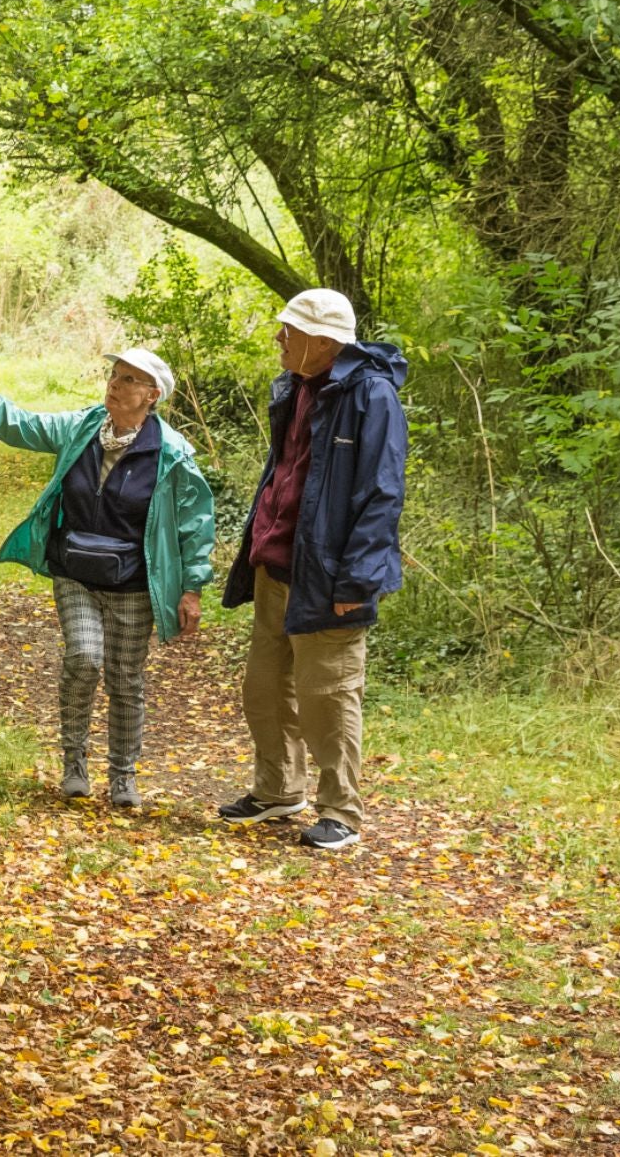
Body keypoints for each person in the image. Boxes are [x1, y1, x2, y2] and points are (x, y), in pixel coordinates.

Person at [0, 341, 216, 811]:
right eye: (114, 376)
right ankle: (74, 762)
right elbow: (19, 423)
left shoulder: (173, 454)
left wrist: (192, 587)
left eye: (128, 380)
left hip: (134, 583)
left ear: (152, 395)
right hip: (74, 570)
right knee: (83, 657)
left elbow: (195, 523)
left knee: (125, 679)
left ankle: (123, 775)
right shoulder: (81, 428)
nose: (115, 386)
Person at [215, 287, 409, 851]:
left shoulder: (371, 396)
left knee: (329, 692)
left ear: (323, 341)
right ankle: (278, 789)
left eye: (289, 330)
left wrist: (357, 578)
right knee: (265, 688)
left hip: (331, 575)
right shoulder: (297, 386)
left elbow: (382, 494)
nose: (279, 337)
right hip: (279, 563)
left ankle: (341, 810)